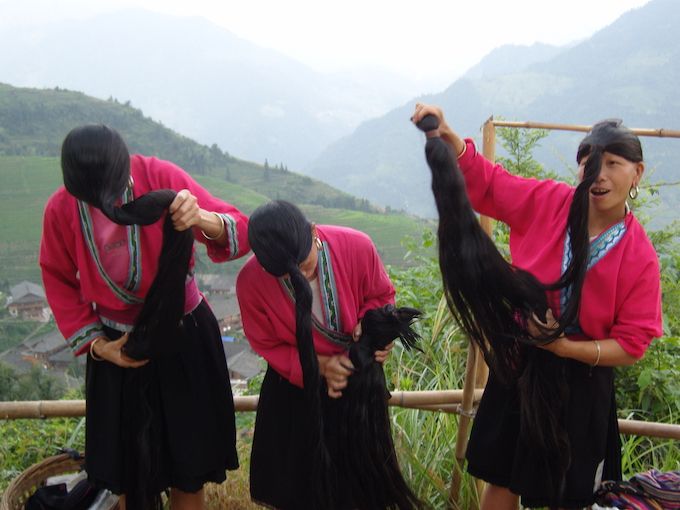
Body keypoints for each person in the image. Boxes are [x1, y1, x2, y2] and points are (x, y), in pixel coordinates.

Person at [411, 104, 662, 509]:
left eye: (613, 163)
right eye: (588, 163)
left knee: (569, 493)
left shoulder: (639, 255)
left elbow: (632, 344)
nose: (598, 174)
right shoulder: (551, 202)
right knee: (502, 480)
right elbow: (489, 185)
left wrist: (565, 348)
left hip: (581, 382)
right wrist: (449, 136)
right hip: (522, 367)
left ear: (637, 173)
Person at [39, 125, 250, 510]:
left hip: (183, 334)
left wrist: (200, 216)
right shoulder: (61, 208)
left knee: (190, 466)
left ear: (126, 168)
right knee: (126, 473)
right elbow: (56, 275)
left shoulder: (161, 177)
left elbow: (240, 229)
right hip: (117, 348)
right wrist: (100, 346)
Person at [236, 200, 410, 509]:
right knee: (299, 492)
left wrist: (374, 332)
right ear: (263, 264)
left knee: (360, 491)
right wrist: (320, 366)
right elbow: (267, 344)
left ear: (315, 232)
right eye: (289, 276)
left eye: (305, 266)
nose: (301, 277)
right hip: (296, 391)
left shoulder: (357, 246)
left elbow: (382, 295)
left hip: (356, 386)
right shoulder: (251, 282)